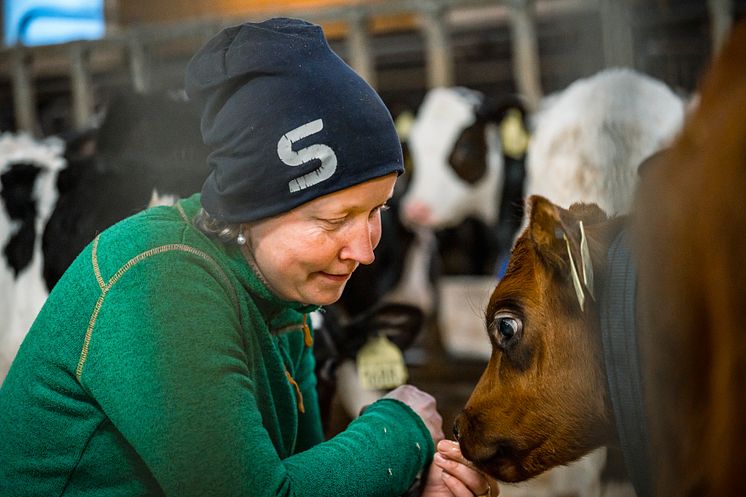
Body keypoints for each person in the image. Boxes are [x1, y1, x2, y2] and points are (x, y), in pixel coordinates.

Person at [0, 18, 497, 497]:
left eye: (377, 209)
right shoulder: (159, 281)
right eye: (331, 220)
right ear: (249, 208)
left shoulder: (284, 295)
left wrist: (411, 488)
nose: (365, 251)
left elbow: (299, 472)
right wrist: (399, 431)